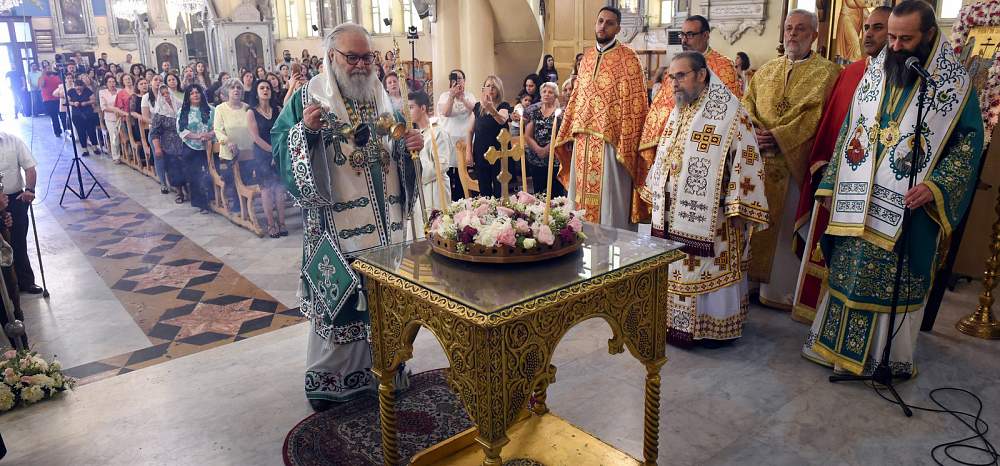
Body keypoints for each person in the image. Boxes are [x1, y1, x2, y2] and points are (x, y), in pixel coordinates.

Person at [802, 0, 984, 378]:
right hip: (858, 199)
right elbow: (850, 130)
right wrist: (835, 180)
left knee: (894, 280)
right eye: (893, 37)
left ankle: (882, 360)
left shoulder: (952, 86)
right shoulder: (877, 72)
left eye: (906, 39)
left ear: (930, 35)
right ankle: (835, 350)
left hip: (908, 206)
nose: (896, 47)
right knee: (848, 273)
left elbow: (967, 146)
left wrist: (936, 186)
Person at [272, 22, 422, 410]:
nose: (359, 65)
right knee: (342, 305)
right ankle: (337, 385)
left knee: (384, 307)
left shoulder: (383, 98)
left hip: (385, 228)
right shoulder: (308, 97)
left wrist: (409, 146)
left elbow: (399, 150)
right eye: (351, 57)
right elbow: (281, 145)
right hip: (337, 231)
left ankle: (388, 373)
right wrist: (303, 131)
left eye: (366, 57)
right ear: (331, 57)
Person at [642, 52, 769, 348]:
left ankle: (712, 329)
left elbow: (748, 157)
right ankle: (674, 324)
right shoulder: (679, 110)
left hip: (716, 218)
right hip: (673, 212)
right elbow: (666, 154)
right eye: (671, 77)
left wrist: (739, 204)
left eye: (681, 76)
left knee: (707, 267)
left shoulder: (729, 111)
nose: (673, 83)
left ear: (701, 75)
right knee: (676, 265)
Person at [791, 6, 891, 324]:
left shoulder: (902, 79)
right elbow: (830, 129)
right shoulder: (850, 73)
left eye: (880, 28)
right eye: (867, 27)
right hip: (836, 181)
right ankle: (819, 319)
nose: (870, 34)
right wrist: (824, 173)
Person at [742, 9, 841, 309]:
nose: (792, 34)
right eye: (788, 28)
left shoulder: (828, 73)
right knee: (753, 226)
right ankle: (750, 285)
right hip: (760, 163)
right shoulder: (766, 70)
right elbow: (747, 104)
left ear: (814, 34)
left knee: (785, 229)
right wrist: (756, 133)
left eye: (800, 29)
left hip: (794, 164)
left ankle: (780, 292)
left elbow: (818, 116)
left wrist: (779, 135)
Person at [639, 16, 742, 224]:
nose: (684, 39)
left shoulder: (724, 67)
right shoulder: (676, 66)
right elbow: (662, 109)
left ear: (705, 35)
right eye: (682, 35)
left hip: (706, 153)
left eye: (690, 34)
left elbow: (730, 115)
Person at [553, 6, 648, 229]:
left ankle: (614, 250)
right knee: (579, 204)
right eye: (600, 21)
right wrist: (567, 130)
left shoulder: (629, 58)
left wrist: (628, 141)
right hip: (582, 140)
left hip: (612, 143)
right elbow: (578, 96)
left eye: (609, 23)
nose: (603, 26)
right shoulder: (586, 58)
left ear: (618, 29)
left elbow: (636, 104)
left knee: (610, 201)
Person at [0, 130, 42, 294]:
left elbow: (30, 167)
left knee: (18, 240)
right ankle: (7, 288)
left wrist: (30, 190)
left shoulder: (13, 141)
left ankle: (25, 281)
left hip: (15, 199)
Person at [247, 79, 287, 238]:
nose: (265, 90)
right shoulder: (251, 112)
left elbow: (283, 131)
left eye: (268, 88)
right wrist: (271, 152)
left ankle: (282, 223)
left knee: (279, 188)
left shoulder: (277, 109)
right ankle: (271, 224)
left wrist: (277, 152)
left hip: (278, 152)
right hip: (262, 154)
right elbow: (255, 137)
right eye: (262, 88)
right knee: (267, 189)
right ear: (256, 93)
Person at [409, 90, 455, 212]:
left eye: (411, 107)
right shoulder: (415, 135)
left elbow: (442, 164)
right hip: (420, 189)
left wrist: (416, 174)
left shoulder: (438, 132)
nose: (407, 112)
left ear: (423, 108)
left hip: (436, 189)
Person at [466, 75, 511, 198]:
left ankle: (500, 214)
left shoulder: (503, 105)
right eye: (488, 86)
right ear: (483, 89)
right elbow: (470, 131)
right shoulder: (477, 107)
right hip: (481, 152)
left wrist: (491, 108)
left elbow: (502, 120)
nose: (491, 89)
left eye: (494, 86)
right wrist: (468, 152)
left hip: (499, 153)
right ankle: (487, 214)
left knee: (499, 189)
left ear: (499, 89)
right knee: (484, 188)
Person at [212, 79, 252, 213]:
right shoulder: (220, 108)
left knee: (247, 178)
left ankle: (247, 203)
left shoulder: (247, 107)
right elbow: (218, 130)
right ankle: (237, 205)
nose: (236, 90)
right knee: (233, 179)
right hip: (229, 150)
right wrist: (227, 141)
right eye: (233, 88)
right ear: (227, 91)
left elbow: (252, 128)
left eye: (239, 88)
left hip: (248, 150)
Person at [437, 68, 476, 200]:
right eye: (455, 78)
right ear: (450, 81)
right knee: (449, 169)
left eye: (460, 78)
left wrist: (462, 98)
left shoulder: (469, 95)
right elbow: (446, 112)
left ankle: (463, 197)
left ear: (464, 81)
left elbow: (474, 109)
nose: (458, 81)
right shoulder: (444, 96)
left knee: (462, 169)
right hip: (449, 138)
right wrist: (452, 96)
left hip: (465, 138)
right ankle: (449, 198)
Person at [176, 85, 215, 212]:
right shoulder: (183, 111)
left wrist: (210, 134)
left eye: (197, 92)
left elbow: (218, 126)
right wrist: (198, 136)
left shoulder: (211, 109)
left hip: (210, 146)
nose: (195, 95)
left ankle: (214, 198)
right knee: (195, 175)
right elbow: (182, 130)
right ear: (188, 96)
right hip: (191, 146)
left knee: (212, 172)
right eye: (192, 93)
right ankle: (201, 203)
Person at [524, 82, 565, 197]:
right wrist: (538, 150)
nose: (546, 94)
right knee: (538, 193)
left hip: (554, 159)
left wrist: (547, 149)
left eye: (550, 92)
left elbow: (561, 135)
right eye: (544, 91)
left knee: (556, 194)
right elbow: (527, 135)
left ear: (555, 95)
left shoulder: (560, 113)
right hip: (536, 159)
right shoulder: (534, 112)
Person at [151, 84, 188, 204]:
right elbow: (154, 133)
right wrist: (157, 148)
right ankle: (179, 192)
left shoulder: (180, 106)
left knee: (186, 166)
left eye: (168, 93)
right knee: (174, 167)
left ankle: (189, 189)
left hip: (184, 139)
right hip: (169, 143)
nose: (166, 96)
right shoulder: (159, 113)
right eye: (163, 94)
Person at [141, 75, 169, 193]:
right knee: (159, 156)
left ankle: (175, 181)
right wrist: (158, 123)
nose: (158, 82)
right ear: (150, 82)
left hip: (169, 129)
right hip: (155, 131)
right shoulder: (146, 97)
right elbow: (145, 117)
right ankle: (163, 183)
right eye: (155, 80)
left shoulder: (167, 95)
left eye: (160, 80)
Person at [66, 79, 100, 157]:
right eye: (76, 87)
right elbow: (67, 102)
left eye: (80, 87)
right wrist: (73, 103)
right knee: (81, 132)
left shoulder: (87, 91)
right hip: (77, 115)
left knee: (91, 130)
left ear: (83, 86)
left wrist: (86, 102)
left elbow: (94, 100)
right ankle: (85, 149)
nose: (78, 88)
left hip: (88, 114)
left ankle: (94, 147)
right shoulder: (71, 91)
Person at [100, 76, 123, 161]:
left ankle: (126, 153)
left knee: (124, 135)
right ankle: (116, 156)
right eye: (109, 82)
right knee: (114, 136)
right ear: (106, 83)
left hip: (121, 116)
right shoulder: (102, 92)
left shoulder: (120, 91)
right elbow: (104, 107)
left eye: (113, 81)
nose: (112, 83)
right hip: (110, 118)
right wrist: (115, 110)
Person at [40, 66, 64, 137]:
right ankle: (57, 132)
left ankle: (66, 130)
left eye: (49, 68)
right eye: (46, 68)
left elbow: (61, 86)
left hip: (58, 99)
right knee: (54, 117)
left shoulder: (57, 77)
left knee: (63, 116)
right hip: (48, 100)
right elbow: (41, 84)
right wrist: (43, 74)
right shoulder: (42, 78)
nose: (48, 69)